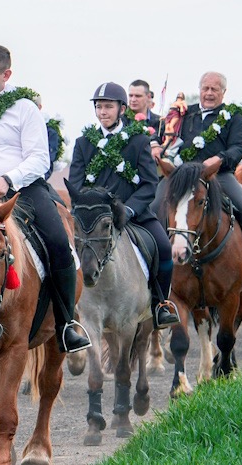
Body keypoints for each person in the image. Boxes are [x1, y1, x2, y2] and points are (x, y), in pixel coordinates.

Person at [0, 44, 92, 354]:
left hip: (19, 189)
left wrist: (8, 179)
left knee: (57, 243)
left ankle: (66, 324)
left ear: (6, 74)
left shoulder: (24, 108)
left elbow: (39, 160)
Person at [69, 82, 176, 327]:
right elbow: (76, 185)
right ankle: (69, 311)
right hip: (93, 220)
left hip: (134, 213)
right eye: (99, 107)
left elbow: (150, 184)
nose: (103, 112)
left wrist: (128, 209)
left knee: (164, 247)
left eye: (108, 107)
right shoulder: (84, 142)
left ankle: (160, 304)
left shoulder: (138, 141)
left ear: (122, 109)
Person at [168, 71, 242, 287]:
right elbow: (170, 138)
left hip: (219, 175)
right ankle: (159, 262)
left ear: (223, 92)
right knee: (158, 204)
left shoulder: (233, 117)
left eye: (215, 89)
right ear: (199, 90)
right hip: (186, 177)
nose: (209, 93)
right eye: (205, 88)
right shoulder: (186, 115)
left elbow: (240, 146)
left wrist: (220, 158)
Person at [128, 80, 166, 151]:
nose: (133, 99)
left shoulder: (160, 122)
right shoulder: (120, 120)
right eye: (130, 95)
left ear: (148, 96)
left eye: (138, 96)